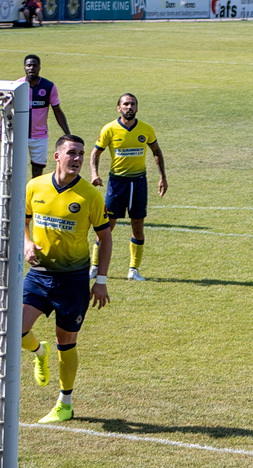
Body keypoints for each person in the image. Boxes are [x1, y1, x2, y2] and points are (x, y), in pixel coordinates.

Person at [23, 135, 112, 424]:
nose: (77, 159)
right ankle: (39, 351)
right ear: (57, 156)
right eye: (71, 153)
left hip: (73, 280)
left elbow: (105, 236)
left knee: (67, 342)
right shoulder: (35, 186)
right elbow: (24, 219)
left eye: (81, 154)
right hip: (38, 275)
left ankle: (65, 402)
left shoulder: (90, 195)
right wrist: (27, 243)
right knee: (12, 330)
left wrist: (100, 280)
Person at [89, 93, 168, 281]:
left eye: (132, 104)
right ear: (119, 108)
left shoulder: (146, 129)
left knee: (138, 226)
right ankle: (94, 266)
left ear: (137, 108)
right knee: (106, 227)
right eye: (125, 104)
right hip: (117, 184)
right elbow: (95, 153)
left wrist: (163, 177)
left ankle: (133, 269)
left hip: (139, 183)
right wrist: (94, 173)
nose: (129, 107)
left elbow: (156, 151)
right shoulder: (109, 129)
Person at [16, 54, 71, 178]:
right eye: (29, 65)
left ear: (39, 67)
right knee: (16, 170)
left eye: (34, 65)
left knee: (37, 171)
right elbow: (7, 108)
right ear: (24, 67)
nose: (31, 68)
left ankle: (33, 196)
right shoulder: (17, 86)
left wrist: (67, 133)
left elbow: (57, 110)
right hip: (19, 135)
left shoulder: (48, 86)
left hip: (40, 137)